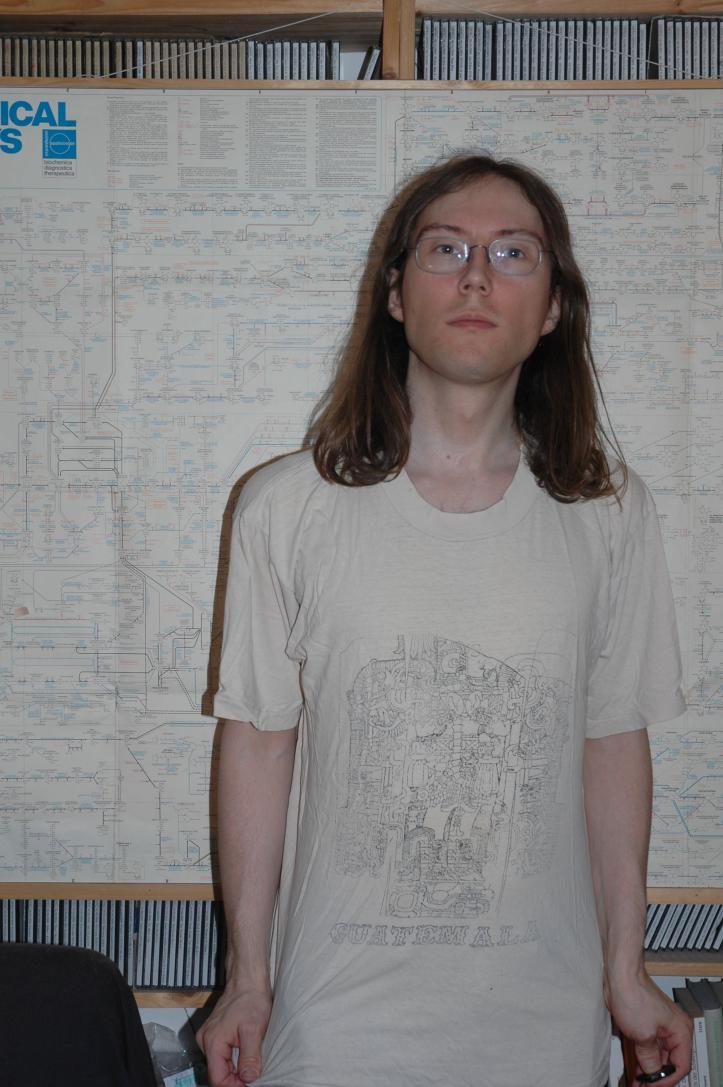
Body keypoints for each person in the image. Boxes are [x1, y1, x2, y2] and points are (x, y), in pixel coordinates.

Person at [198, 154, 692, 1087]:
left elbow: (610, 740)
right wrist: (246, 980)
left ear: (552, 307)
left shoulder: (609, 511)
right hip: (333, 1032)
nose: (475, 277)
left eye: (512, 252)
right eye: (445, 248)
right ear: (394, 294)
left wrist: (625, 971)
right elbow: (259, 740)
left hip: (543, 1033)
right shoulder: (287, 506)